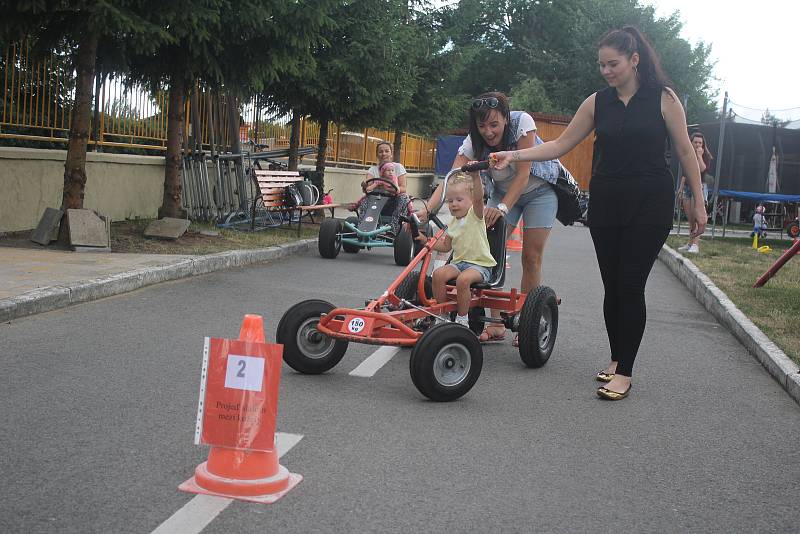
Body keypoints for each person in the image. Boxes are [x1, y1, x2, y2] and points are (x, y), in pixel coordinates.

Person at [491, 26, 707, 400]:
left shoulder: (664, 98)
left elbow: (686, 151)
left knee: (631, 283)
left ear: (634, 60)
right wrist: (516, 154)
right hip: (607, 201)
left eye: (614, 64)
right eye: (602, 65)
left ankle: (625, 371)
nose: (606, 71)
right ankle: (615, 357)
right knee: (612, 284)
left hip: (650, 202)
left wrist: (698, 203)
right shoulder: (596, 103)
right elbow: (559, 144)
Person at [418, 92, 561, 346]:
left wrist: (504, 209)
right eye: (482, 126)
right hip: (503, 192)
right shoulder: (473, 140)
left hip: (538, 191)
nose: (488, 132)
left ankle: (524, 322)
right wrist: (428, 208)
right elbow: (452, 176)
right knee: (487, 250)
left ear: (505, 119)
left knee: (531, 256)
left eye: (494, 124)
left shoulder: (522, 124)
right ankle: (496, 325)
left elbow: (524, 174)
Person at [419, 171, 496, 327]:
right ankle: (444, 314)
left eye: (459, 200)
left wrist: (476, 177)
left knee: (463, 280)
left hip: (480, 265)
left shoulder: (475, 215)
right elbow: (446, 246)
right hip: (459, 263)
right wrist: (426, 241)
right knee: (438, 275)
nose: (454, 204)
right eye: (450, 201)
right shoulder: (453, 223)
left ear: (471, 200)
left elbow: (479, 198)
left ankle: (462, 318)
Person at [359, 141, 411, 234]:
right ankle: (362, 229)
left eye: (387, 151)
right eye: (380, 152)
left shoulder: (398, 167)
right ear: (377, 154)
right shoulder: (373, 170)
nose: (383, 154)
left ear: (391, 153)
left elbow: (403, 188)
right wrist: (365, 185)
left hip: (393, 201)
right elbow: (368, 184)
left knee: (403, 198)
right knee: (364, 200)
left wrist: (391, 189)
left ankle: (393, 229)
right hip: (376, 201)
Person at [677, 132, 714, 253]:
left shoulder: (706, 156)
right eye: (695, 142)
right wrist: (681, 188)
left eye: (700, 143)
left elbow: (702, 169)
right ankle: (690, 242)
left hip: (699, 187)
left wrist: (699, 156)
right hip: (687, 188)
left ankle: (696, 245)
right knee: (691, 218)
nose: (698, 144)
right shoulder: (687, 155)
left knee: (697, 216)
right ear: (691, 143)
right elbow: (684, 173)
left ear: (703, 145)